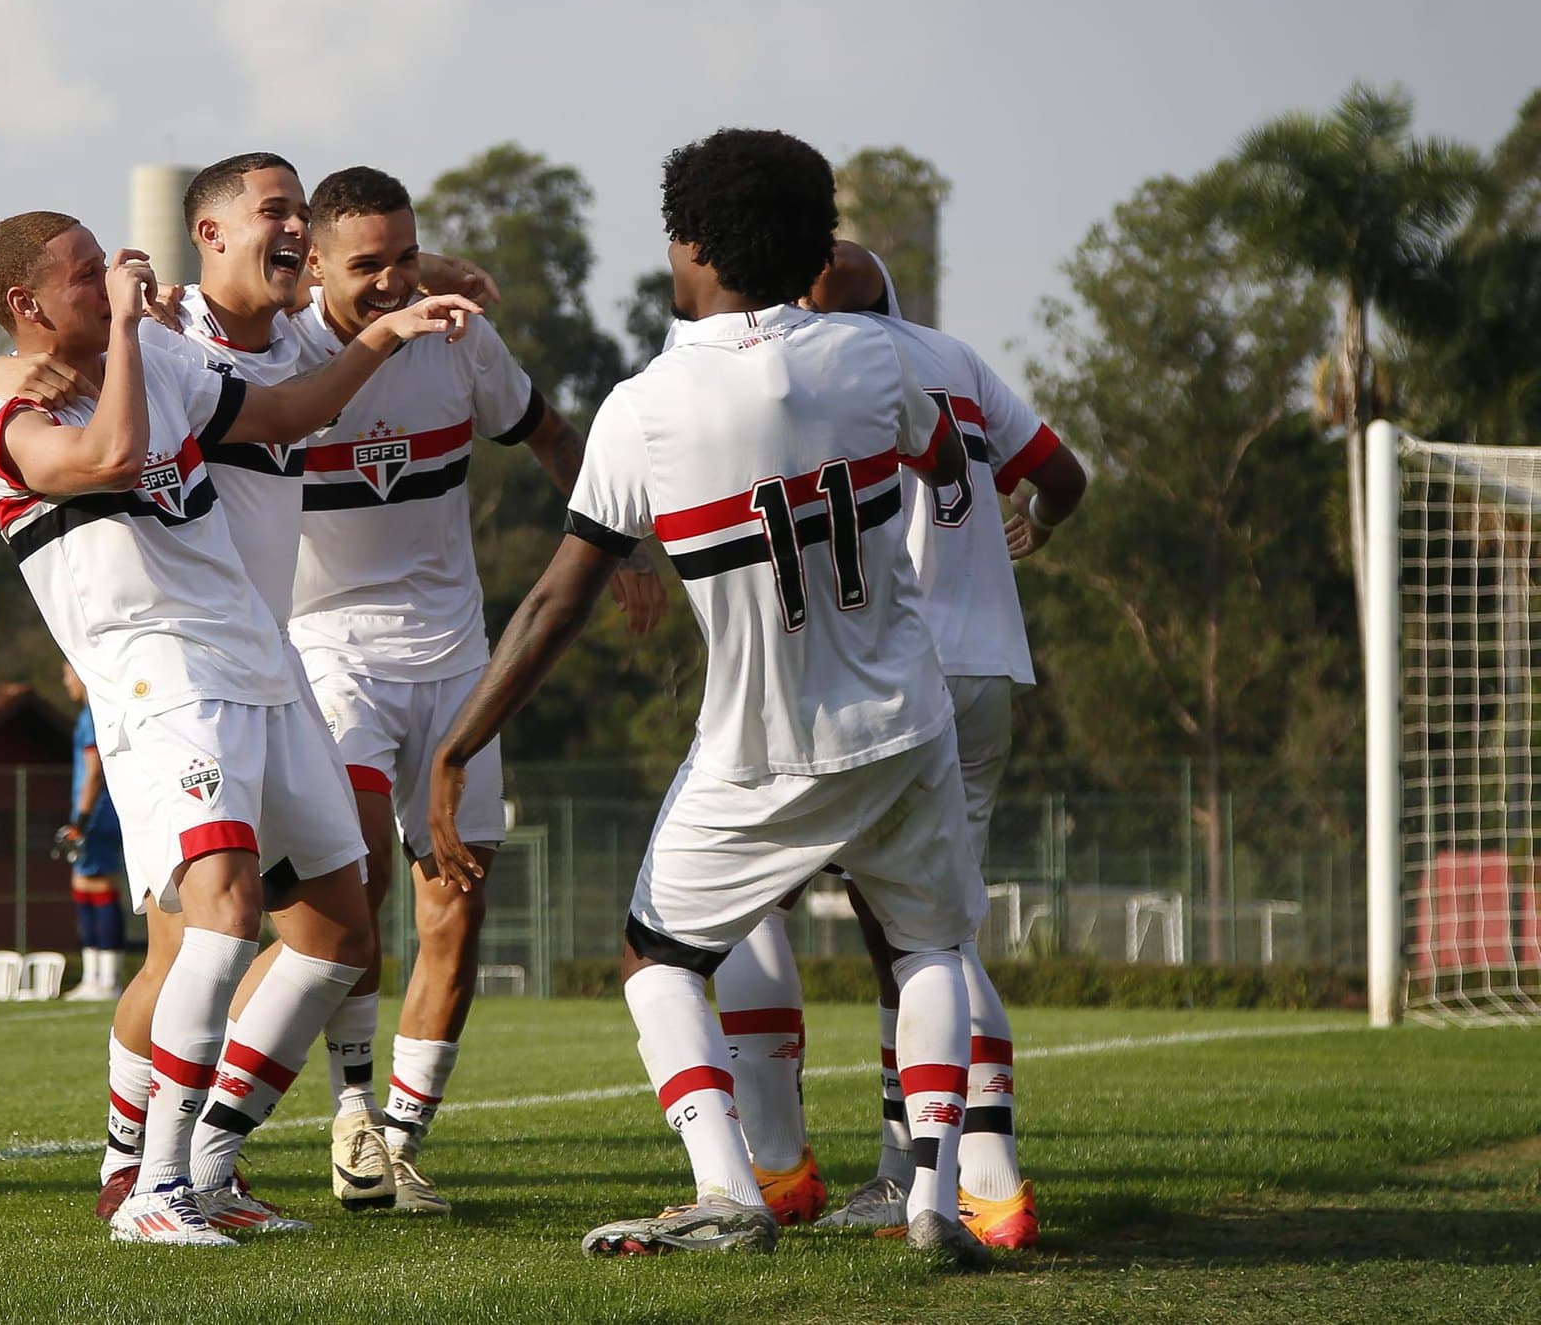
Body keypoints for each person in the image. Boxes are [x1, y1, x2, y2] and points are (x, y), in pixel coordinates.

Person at [426, 128, 989, 1267]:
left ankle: (725, 1190)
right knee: (930, 949)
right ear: (812, 248)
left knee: (657, 959)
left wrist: (455, 747)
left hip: (758, 749)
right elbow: (941, 465)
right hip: (902, 726)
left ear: (686, 248)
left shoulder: (643, 408)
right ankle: (932, 1196)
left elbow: (554, 606)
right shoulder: (880, 361)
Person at [0, 207, 478, 1247]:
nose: (110, 278)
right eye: (82, 274)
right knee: (222, 912)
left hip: (259, 660)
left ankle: (203, 1168)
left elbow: (286, 415)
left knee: (338, 928)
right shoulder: (2, 416)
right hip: (163, 683)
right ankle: (150, 1188)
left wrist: (390, 333)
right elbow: (110, 456)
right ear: (26, 306)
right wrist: (118, 330)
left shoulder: (147, 354)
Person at [283, 165, 665, 1213]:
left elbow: (547, 434)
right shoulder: (276, 347)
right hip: (326, 649)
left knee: (455, 900)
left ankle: (396, 1143)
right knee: (351, 881)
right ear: (309, 265)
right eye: (368, 265)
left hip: (456, 654)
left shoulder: (456, 341)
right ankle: (350, 1109)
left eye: (406, 256)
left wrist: (621, 545)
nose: (394, 280)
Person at [713, 247, 1088, 1249]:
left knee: (740, 898)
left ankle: (784, 1165)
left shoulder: (803, 366)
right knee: (939, 930)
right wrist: (1036, 526)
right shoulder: (952, 358)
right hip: (979, 673)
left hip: (865, 669)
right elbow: (1062, 476)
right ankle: (977, 1184)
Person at [57, 661, 126, 1002]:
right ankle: (95, 976)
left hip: (96, 816)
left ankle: (106, 978)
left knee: (97, 885)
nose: (65, 682)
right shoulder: (95, 713)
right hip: (96, 815)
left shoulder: (91, 717)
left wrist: (80, 820)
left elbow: (94, 772)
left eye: (67, 674)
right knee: (84, 885)